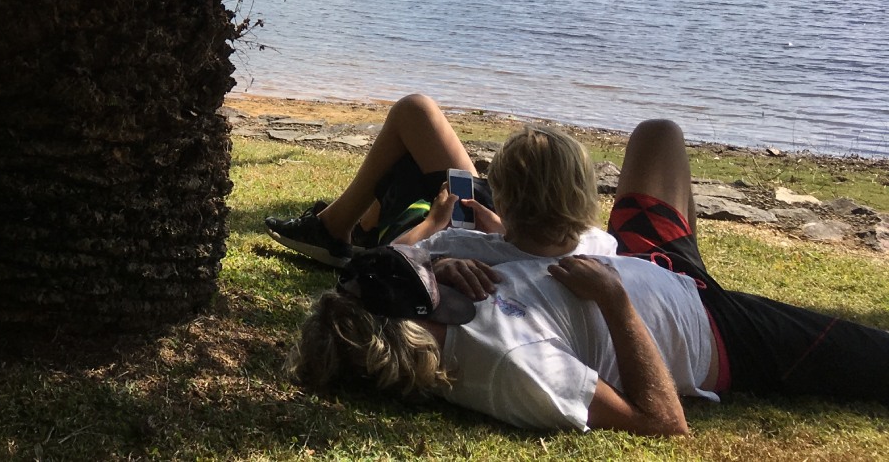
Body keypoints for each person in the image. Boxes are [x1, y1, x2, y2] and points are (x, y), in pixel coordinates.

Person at [290, 116, 889, 435]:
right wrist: (617, 303)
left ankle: (681, 260)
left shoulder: (452, 296)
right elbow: (662, 422)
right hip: (717, 330)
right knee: (872, 358)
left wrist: (447, 257)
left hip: (647, 260)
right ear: (410, 317)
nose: (415, 270)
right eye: (408, 279)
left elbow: (418, 257)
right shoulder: (508, 363)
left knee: (659, 134)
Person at [265, 94, 611, 267]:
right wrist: (505, 230)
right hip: (518, 230)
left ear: (503, 198)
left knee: (414, 113)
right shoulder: (601, 246)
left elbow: (389, 262)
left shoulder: (468, 250)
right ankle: (357, 225)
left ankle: (338, 227)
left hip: (479, 229)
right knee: (416, 123)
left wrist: (434, 223)